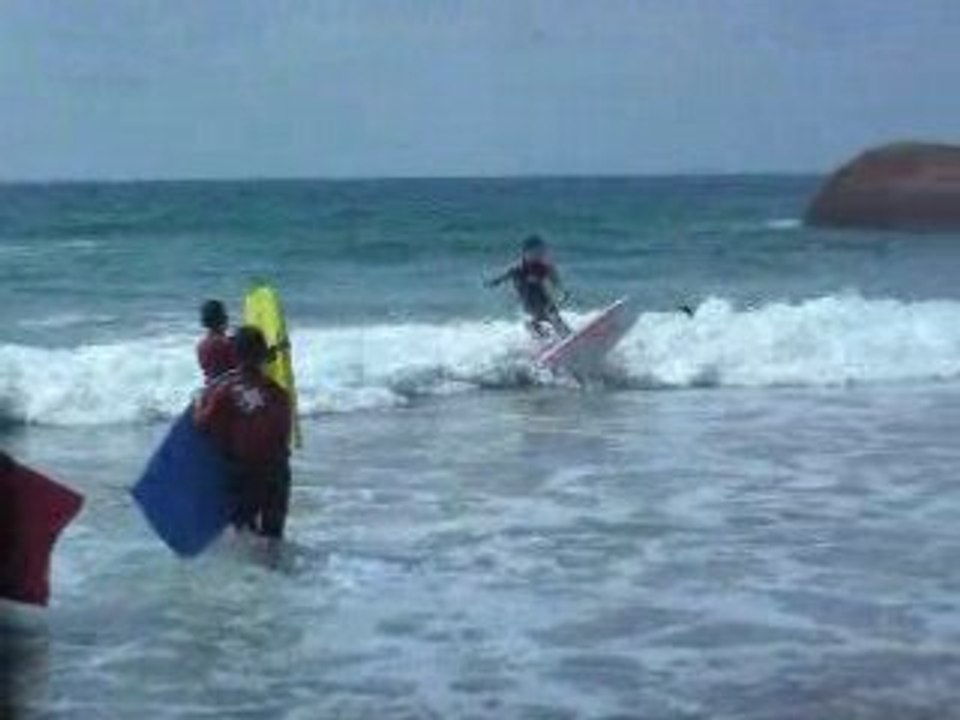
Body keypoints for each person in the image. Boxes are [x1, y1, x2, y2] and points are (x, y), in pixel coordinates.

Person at [194, 327, 292, 540]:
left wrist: (197, 405)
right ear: (264, 356)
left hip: (247, 476)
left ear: (234, 355)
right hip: (278, 473)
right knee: (273, 539)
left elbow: (202, 426)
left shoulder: (225, 390)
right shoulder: (279, 393)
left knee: (245, 535)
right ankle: (277, 570)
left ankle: (249, 573)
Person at [486, 235, 572, 339]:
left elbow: (556, 280)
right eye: (537, 252)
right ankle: (541, 337)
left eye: (542, 251)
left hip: (544, 299)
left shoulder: (545, 266)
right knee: (541, 319)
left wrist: (562, 292)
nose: (541, 254)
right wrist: (493, 282)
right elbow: (502, 277)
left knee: (554, 317)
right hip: (528, 301)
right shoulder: (517, 267)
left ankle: (569, 337)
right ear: (526, 253)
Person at [196, 299, 237, 383]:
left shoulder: (201, 345)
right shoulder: (225, 344)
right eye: (225, 314)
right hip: (228, 387)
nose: (227, 317)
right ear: (223, 318)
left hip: (210, 386)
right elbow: (242, 365)